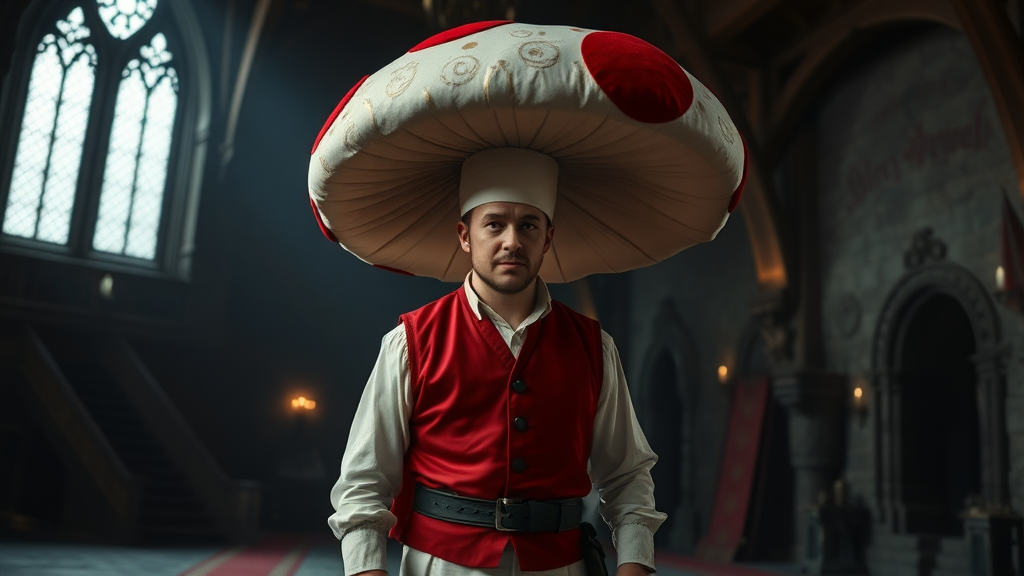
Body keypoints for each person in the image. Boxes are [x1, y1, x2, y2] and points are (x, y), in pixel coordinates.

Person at [308, 20, 747, 576]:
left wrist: (636, 562)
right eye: (494, 224)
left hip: (560, 565)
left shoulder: (594, 347)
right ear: (466, 235)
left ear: (549, 238)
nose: (512, 240)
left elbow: (628, 473)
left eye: (529, 225)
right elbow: (365, 480)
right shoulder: (410, 343)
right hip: (443, 565)